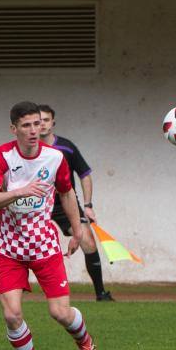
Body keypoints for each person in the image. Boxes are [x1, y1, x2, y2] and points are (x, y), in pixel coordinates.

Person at [0, 101, 101, 350]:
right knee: (12, 315)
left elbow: (66, 193)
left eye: (37, 124)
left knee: (59, 312)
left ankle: (85, 344)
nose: (34, 130)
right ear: (14, 129)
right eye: (26, 125)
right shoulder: (1, 156)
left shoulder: (55, 158)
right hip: (10, 249)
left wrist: (77, 230)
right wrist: (20, 191)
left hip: (45, 247)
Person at [38, 105, 114, 301]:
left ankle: (101, 294)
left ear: (52, 123)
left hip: (65, 204)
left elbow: (85, 175)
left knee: (88, 241)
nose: (42, 124)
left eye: (46, 120)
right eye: (39, 120)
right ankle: (5, 292)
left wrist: (88, 206)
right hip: (36, 205)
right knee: (22, 244)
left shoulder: (66, 147)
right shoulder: (28, 149)